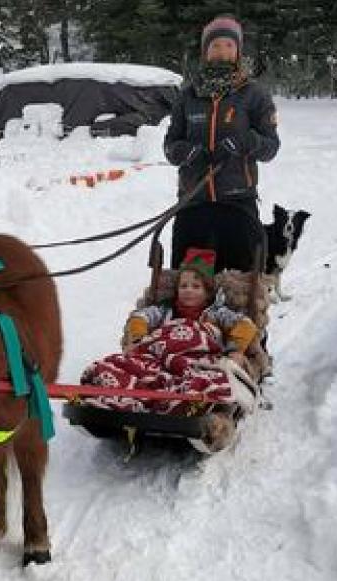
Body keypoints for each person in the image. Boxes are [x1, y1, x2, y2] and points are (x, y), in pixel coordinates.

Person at [164, 15, 280, 273]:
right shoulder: (188, 96)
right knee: (189, 289)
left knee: (237, 292)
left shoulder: (254, 95)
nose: (222, 52)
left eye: (229, 45)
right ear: (206, 51)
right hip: (194, 205)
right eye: (215, 46)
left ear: (238, 50)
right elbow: (170, 146)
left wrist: (246, 141)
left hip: (238, 206)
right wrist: (187, 152)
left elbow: (271, 147)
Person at [123, 248, 258, 367]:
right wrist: (138, 341)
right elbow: (139, 317)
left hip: (202, 363)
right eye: (184, 286)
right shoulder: (165, 310)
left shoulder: (216, 313)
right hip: (164, 361)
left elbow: (245, 324)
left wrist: (234, 350)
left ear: (207, 293)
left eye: (196, 286)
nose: (188, 291)